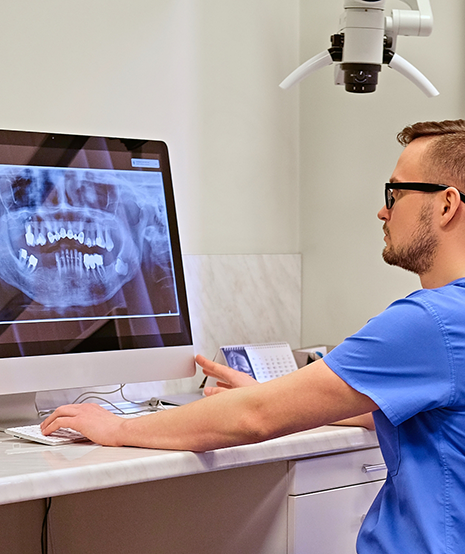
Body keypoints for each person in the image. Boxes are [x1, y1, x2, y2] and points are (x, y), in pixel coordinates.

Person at [42, 119, 465, 553]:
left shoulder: (431, 322)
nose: (383, 210)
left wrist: (115, 428)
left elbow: (255, 417)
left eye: (395, 192)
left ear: (447, 204)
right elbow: (419, 408)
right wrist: (277, 394)